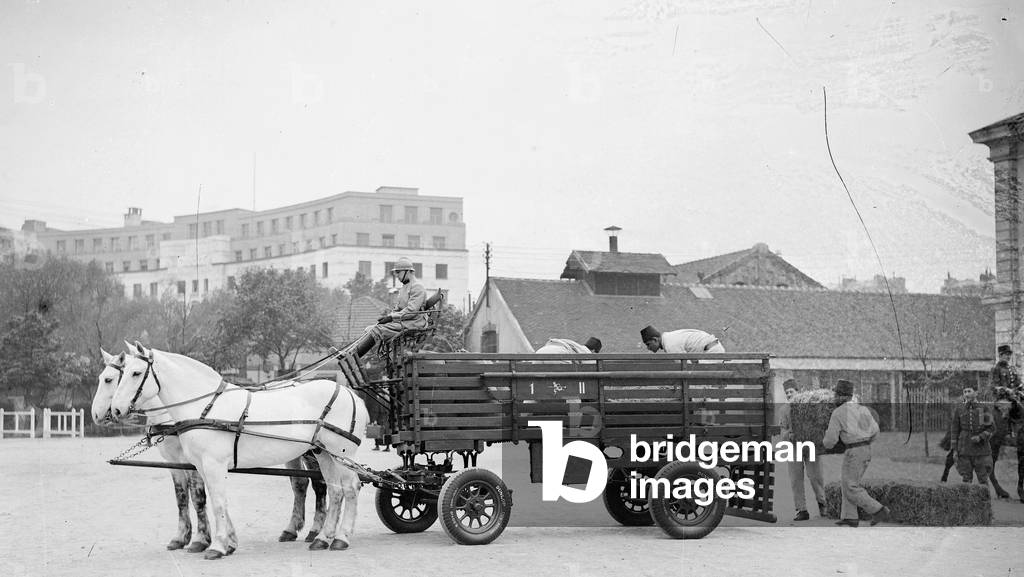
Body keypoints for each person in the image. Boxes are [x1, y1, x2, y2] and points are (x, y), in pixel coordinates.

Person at [823, 379, 889, 528]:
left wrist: (824, 443)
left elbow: (830, 441)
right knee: (848, 482)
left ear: (841, 396)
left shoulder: (838, 413)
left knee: (850, 486)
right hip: (866, 450)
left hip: (853, 451)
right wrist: (864, 442)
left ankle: (878, 510)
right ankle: (850, 517)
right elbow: (876, 432)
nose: (834, 397)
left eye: (836, 394)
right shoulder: (862, 410)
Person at [346, 257, 428, 358]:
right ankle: (348, 353)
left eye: (398, 272)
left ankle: (353, 357)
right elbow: (398, 309)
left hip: (414, 323)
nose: (396, 276)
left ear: (408, 271)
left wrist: (391, 318)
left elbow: (411, 311)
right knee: (371, 328)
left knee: (377, 330)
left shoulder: (417, 287)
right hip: (404, 321)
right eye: (395, 273)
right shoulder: (404, 288)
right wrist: (387, 318)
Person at [778, 379, 826, 521]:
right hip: (793, 448)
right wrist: (788, 435)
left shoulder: (808, 406)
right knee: (796, 479)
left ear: (797, 392)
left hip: (810, 446)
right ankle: (801, 510)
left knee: (815, 476)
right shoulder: (783, 410)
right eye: (786, 392)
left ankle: (823, 504)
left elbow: (818, 423)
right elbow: (783, 431)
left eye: (791, 391)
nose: (788, 394)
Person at [951, 384, 994, 485]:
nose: (966, 394)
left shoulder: (984, 408)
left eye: (969, 391)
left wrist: (980, 437)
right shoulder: (959, 409)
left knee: (983, 479)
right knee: (966, 479)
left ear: (976, 393)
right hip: (964, 448)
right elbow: (954, 430)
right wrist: (955, 449)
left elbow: (991, 427)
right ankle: (967, 501)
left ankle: (984, 500)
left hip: (981, 450)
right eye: (964, 392)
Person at [640, 325, 725, 354]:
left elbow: (684, 367)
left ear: (655, 340)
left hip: (711, 350)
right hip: (713, 347)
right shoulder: (668, 338)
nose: (648, 348)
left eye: (648, 344)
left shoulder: (669, 344)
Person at [535, 337, 602, 354]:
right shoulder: (586, 353)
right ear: (593, 350)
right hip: (557, 353)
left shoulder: (577, 347)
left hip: (539, 352)